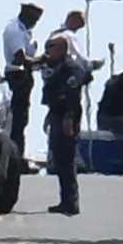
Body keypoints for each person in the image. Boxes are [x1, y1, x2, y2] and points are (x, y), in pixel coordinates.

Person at [34, 12, 92, 216]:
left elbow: (71, 95)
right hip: (57, 115)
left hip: (67, 117)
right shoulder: (58, 68)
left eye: (52, 47)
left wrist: (68, 118)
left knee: (66, 160)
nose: (48, 51)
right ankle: (65, 200)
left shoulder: (71, 69)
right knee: (60, 159)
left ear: (62, 49)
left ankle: (71, 202)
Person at [0, 0, 42, 178]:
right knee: (16, 121)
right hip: (17, 76)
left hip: (24, 76)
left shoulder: (25, 31)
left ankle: (18, 157)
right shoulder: (14, 30)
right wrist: (44, 59)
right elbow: (20, 58)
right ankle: (15, 161)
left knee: (22, 121)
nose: (36, 22)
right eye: (34, 18)